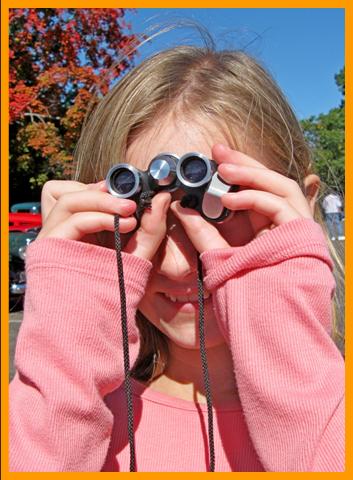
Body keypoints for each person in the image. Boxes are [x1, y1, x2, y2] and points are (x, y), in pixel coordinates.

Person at [9, 42, 344, 472]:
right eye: (141, 214)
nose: (177, 264)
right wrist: (66, 345)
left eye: (222, 210)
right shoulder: (50, 412)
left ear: (303, 204)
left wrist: (295, 373)